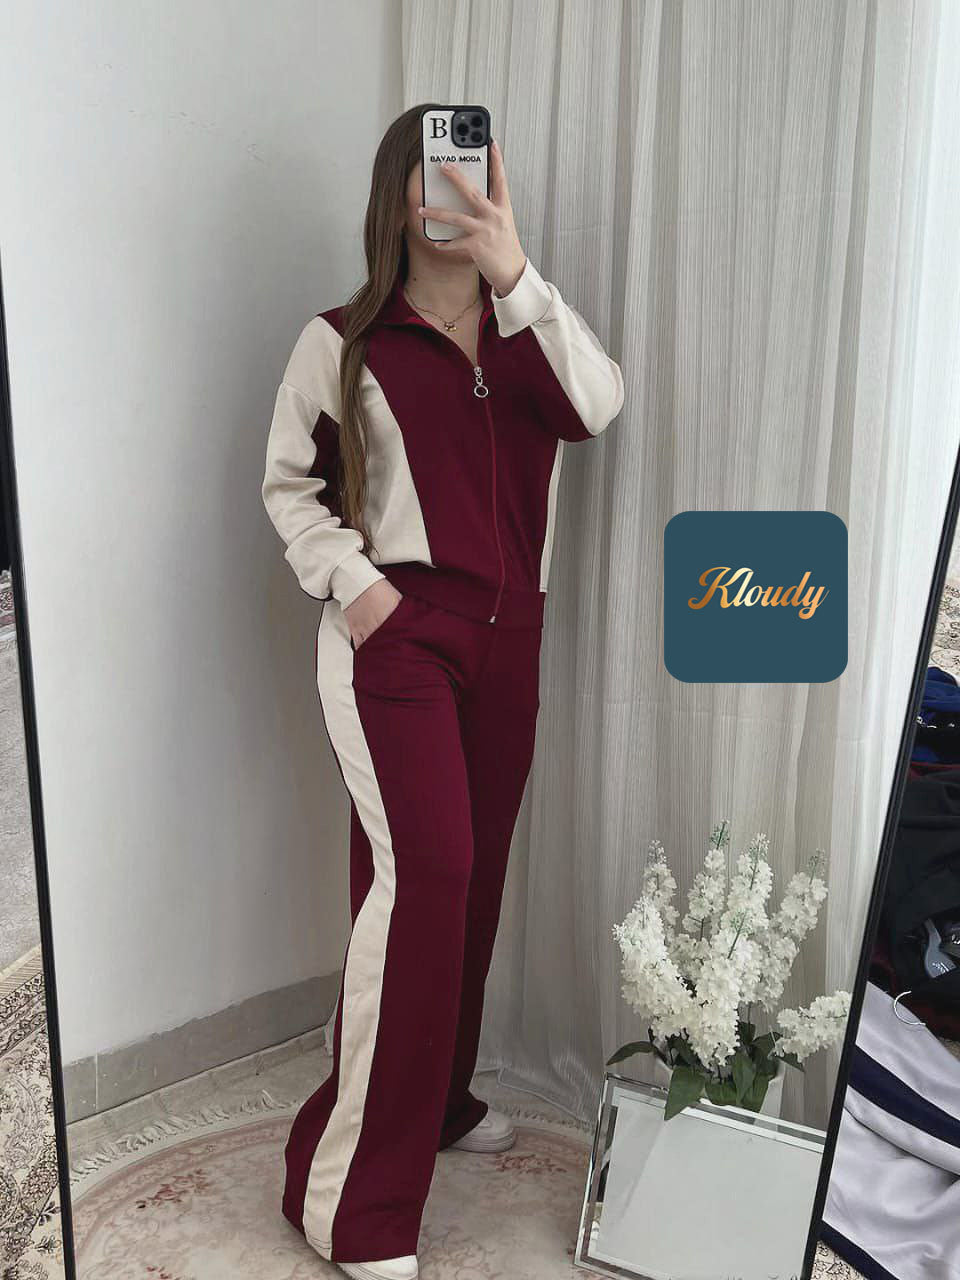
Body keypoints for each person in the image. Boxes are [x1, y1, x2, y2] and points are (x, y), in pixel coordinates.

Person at [261, 102, 624, 1280]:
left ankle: (440, 1094)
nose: (451, 188)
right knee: (429, 877)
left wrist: (516, 271)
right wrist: (360, 588)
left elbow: (598, 403)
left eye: (470, 167)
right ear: (396, 194)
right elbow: (289, 487)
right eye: (431, 169)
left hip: (510, 645)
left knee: (470, 882)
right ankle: (350, 1202)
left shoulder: (527, 330)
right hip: (396, 642)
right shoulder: (343, 341)